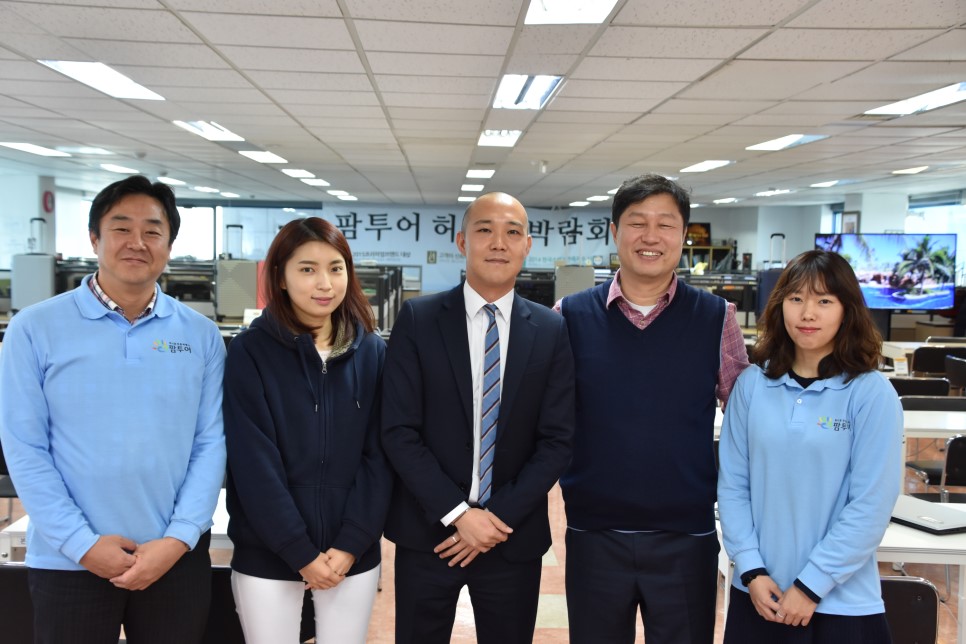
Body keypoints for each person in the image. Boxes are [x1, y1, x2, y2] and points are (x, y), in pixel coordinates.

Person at [0, 175, 226, 643]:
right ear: (94, 238)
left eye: (153, 231)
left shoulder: (200, 335)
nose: (137, 242)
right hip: (69, 560)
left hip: (173, 558)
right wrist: (81, 543)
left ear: (169, 245)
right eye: (121, 228)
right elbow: (24, 446)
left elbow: (210, 443)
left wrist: (179, 538)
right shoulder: (34, 328)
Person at [556, 173, 750, 644]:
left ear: (683, 235)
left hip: (687, 536)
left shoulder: (716, 318)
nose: (651, 236)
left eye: (665, 224)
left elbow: (748, 420)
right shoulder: (569, 316)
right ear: (614, 231)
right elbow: (542, 421)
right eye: (637, 222)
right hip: (594, 532)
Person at [381, 192, 575, 644]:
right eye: (485, 230)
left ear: (527, 245)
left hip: (512, 537)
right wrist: (458, 514)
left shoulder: (550, 329)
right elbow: (398, 429)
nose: (498, 243)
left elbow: (557, 440)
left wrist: (495, 518)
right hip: (429, 534)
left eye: (512, 232)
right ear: (462, 241)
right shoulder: (419, 318)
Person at [717, 250, 902, 643]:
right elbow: (733, 487)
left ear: (847, 310)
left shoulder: (871, 393)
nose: (808, 313)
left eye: (824, 301)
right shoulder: (751, 385)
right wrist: (750, 569)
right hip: (759, 594)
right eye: (796, 298)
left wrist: (811, 584)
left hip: (842, 603)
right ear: (780, 306)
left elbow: (871, 504)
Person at [222, 217, 390, 644]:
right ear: (280, 277)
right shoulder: (249, 352)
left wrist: (351, 543)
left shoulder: (373, 353)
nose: (324, 283)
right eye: (307, 269)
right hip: (268, 552)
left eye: (335, 268)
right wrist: (298, 551)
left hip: (350, 554)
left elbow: (380, 457)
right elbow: (253, 463)